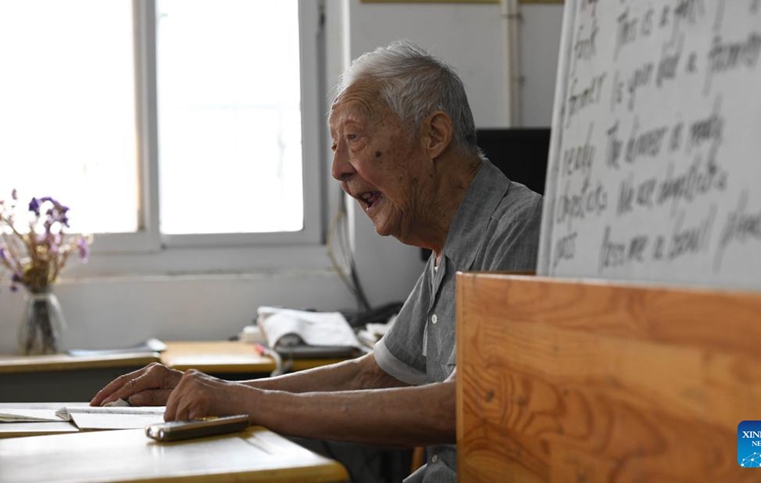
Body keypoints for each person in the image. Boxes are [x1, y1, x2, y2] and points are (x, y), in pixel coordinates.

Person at [90, 40, 543, 482]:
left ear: (434, 135)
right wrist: (208, 389)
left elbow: (465, 407)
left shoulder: (521, 227)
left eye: (354, 139)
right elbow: (376, 375)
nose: (339, 170)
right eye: (335, 146)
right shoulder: (450, 246)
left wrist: (233, 399)